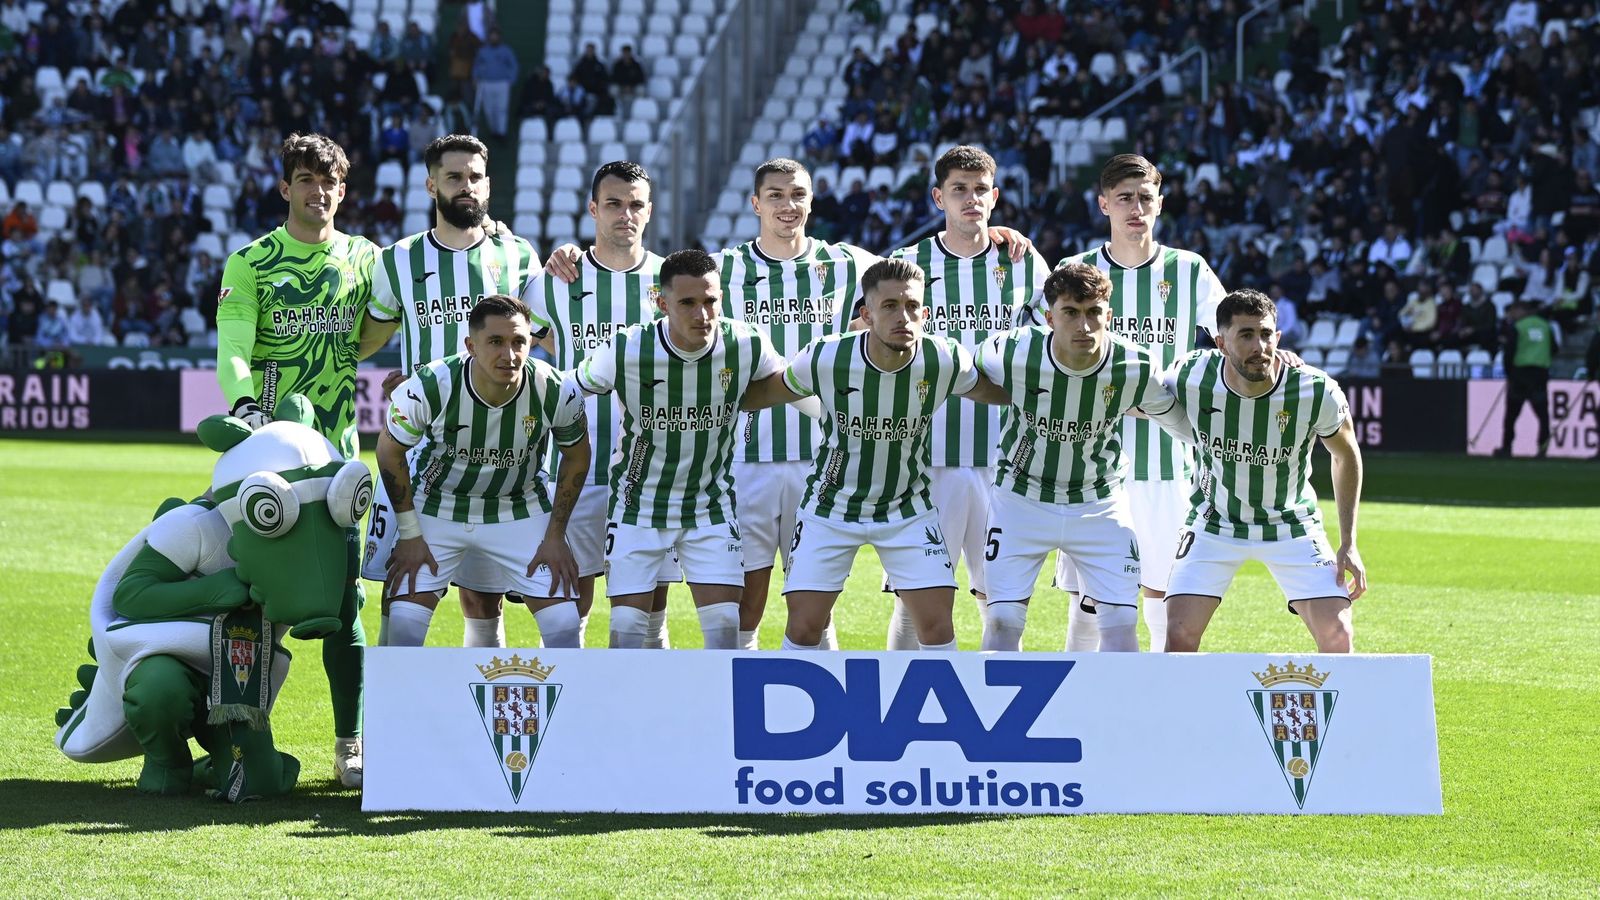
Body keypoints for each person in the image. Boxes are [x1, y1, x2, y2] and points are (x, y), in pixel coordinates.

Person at [739, 257, 1011, 651]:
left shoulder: (944, 357)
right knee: (803, 628)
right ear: (866, 315)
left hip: (907, 508)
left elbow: (997, 392)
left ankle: (936, 712)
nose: (904, 316)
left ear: (926, 313)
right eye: (890, 306)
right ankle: (795, 712)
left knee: (936, 630)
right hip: (830, 507)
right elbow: (765, 393)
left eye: (913, 306)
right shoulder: (827, 356)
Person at [215, 133, 378, 787]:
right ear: (286, 188)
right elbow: (231, 347)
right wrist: (247, 403)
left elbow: (376, 334)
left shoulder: (366, 259)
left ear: (343, 190)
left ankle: (350, 744)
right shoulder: (251, 263)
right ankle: (242, 744)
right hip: (266, 459)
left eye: (330, 181)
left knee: (347, 602)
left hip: (338, 461)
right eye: (306, 180)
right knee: (246, 599)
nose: (319, 191)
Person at [355, 133, 541, 649]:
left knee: (484, 597)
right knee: (402, 587)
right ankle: (385, 727)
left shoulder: (518, 255)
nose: (466, 187)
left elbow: (544, 336)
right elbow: (371, 337)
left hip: (498, 449)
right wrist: (403, 376)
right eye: (454, 177)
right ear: (430, 183)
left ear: (488, 185)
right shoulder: (397, 260)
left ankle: (479, 716)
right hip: (417, 449)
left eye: (474, 177)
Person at [573, 249, 791, 649]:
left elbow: (791, 385)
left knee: (726, 630)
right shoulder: (625, 348)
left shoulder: (745, 343)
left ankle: (715, 713)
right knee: (626, 635)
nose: (702, 315)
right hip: (637, 507)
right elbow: (568, 391)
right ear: (662, 303)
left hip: (709, 507)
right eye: (688, 303)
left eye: (710, 301)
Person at [1053, 154, 1225, 655]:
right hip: (1090, 463)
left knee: (1163, 593)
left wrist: (1274, 351)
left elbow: (1231, 336)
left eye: (1145, 197)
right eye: (1124, 198)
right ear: (1104, 203)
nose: (1135, 208)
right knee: (1090, 597)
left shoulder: (1189, 271)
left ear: (1160, 204)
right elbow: (1048, 352)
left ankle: (1157, 703)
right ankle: (1077, 696)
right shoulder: (1074, 271)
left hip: (1169, 461)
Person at [881, 145, 1048, 651]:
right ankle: (900, 704)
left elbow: (1057, 336)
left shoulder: (1022, 262)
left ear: (995, 197)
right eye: (959, 190)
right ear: (939, 197)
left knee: (1002, 604)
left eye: (980, 190)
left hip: (1007, 458)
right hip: (929, 458)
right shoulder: (910, 265)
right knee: (916, 602)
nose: (971, 199)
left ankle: (993, 713)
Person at [976, 264, 1192, 651]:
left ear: (1109, 316)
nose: (1084, 325)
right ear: (1049, 317)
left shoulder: (1135, 366)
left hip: (1099, 501)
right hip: (1020, 498)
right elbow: (963, 375)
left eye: (1094, 312)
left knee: (1122, 621)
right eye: (1071, 313)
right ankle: (996, 710)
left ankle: (1116, 713)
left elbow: (1181, 422)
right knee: (1003, 619)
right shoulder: (1011, 351)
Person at [713, 158, 877, 650]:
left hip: (823, 457)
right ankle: (735, 696)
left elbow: (919, 269)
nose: (789, 205)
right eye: (777, 195)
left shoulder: (849, 263)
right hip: (744, 458)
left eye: (799, 195)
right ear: (756, 203)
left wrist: (993, 232)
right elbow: (657, 283)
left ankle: (820, 707)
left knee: (815, 600)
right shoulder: (725, 268)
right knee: (747, 596)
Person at [377, 295, 590, 648]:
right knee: (403, 630)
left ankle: (563, 704)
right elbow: (388, 452)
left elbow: (578, 457)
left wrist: (555, 535)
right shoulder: (431, 385)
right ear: (471, 345)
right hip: (437, 505)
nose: (509, 355)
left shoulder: (556, 389)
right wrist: (411, 535)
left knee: (564, 625)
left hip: (519, 506)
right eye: (495, 342)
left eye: (519, 342)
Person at [1162, 289, 1367, 654]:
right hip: (1214, 523)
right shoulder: (1191, 374)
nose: (1260, 346)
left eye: (1266, 334)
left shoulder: (1314, 390)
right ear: (1221, 342)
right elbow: (1139, 394)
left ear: (1279, 336)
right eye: (1246, 335)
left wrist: (1348, 542)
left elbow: (1346, 456)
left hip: (1291, 524)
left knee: (1339, 637)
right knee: (1178, 634)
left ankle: (1340, 713)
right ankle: (1181, 712)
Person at [526, 161, 678, 648]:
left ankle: (648, 717)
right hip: (577, 466)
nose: (625, 214)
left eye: (636, 205)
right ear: (593, 209)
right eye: (613, 203)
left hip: (653, 470)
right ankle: (576, 710)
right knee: (574, 599)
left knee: (650, 603)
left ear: (649, 212)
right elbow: (530, 350)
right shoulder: (552, 282)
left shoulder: (670, 282)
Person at [1497, 301, 1557, 457]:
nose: (1511, 315)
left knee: (1511, 415)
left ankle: (1506, 447)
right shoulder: (1546, 326)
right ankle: (1542, 448)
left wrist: (1509, 373)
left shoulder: (1518, 327)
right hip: (1539, 373)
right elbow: (1554, 348)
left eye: (1513, 311)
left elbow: (1509, 352)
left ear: (1521, 310)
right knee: (1543, 415)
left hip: (1520, 374)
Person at [472, 28, 518, 139]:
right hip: (486, 82)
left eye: (495, 36)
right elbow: (477, 65)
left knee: (501, 108)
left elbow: (514, 65)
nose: (494, 38)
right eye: (492, 36)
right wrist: (475, 77)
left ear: (499, 37)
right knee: (489, 109)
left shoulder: (506, 51)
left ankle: (501, 132)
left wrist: (511, 79)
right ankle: (493, 130)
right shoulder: (483, 51)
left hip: (502, 82)